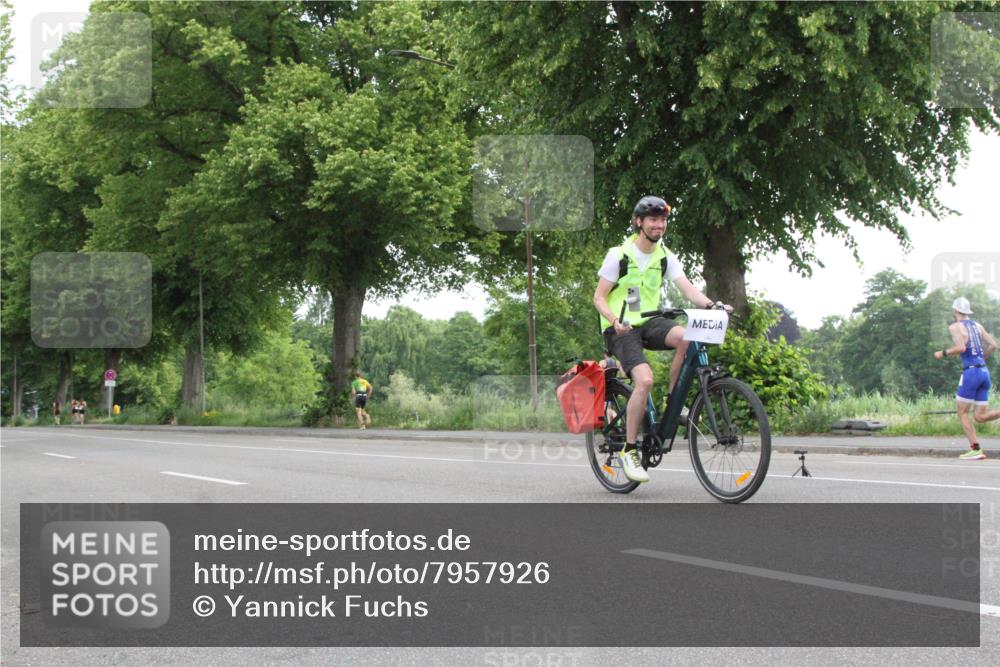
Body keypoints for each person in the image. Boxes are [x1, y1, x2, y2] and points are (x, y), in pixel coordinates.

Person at [593, 195, 732, 483]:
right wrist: (615, 320)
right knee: (644, 380)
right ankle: (629, 450)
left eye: (663, 220)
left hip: (650, 321)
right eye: (653, 220)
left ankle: (673, 402)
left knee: (686, 337)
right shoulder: (619, 255)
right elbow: (599, 297)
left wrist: (713, 305)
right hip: (622, 327)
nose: (659, 225)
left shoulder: (664, 256)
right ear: (639, 222)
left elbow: (689, 289)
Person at [934, 297, 999, 460]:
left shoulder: (955, 327)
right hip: (984, 372)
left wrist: (943, 353)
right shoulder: (978, 326)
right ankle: (976, 449)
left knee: (962, 412)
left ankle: (975, 449)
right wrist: (982, 359)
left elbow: (961, 348)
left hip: (971, 373)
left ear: (955, 311)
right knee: (979, 416)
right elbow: (993, 345)